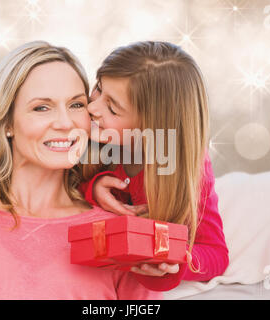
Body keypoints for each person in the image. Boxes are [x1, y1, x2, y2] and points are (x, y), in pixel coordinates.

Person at [0, 41, 162, 300]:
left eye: (76, 105)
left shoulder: (116, 229)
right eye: (41, 108)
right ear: (6, 123)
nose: (64, 122)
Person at [80, 41, 229, 291]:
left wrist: (179, 260)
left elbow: (216, 254)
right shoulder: (87, 136)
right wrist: (92, 189)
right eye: (98, 88)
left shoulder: (190, 171)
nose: (91, 107)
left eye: (112, 108)